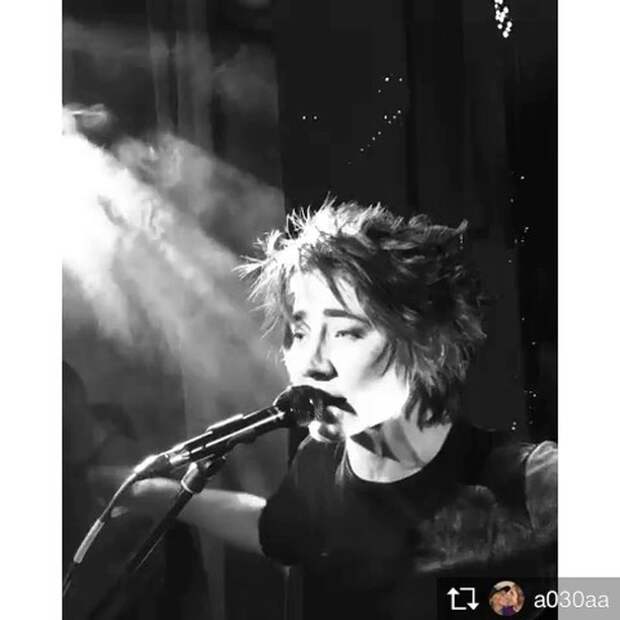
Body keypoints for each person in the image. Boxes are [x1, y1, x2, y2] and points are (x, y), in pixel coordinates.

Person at [129, 200, 557, 620]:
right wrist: (155, 495)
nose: (310, 363)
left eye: (346, 332)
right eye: (299, 332)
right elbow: (275, 529)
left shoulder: (534, 483)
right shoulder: (317, 466)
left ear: (425, 345)